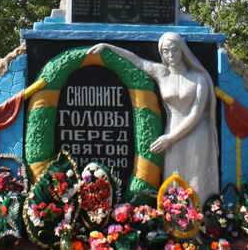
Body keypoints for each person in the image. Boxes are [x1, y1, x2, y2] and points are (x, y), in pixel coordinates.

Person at [87, 33, 218, 203]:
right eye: (166, 52)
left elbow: (196, 114)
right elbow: (137, 61)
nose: (171, 56)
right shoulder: (162, 73)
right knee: (174, 175)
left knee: (195, 177)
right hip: (172, 130)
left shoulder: (199, 79)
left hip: (196, 133)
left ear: (182, 51)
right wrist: (108, 46)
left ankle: (201, 226)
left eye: (175, 51)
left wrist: (170, 138)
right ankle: (175, 223)